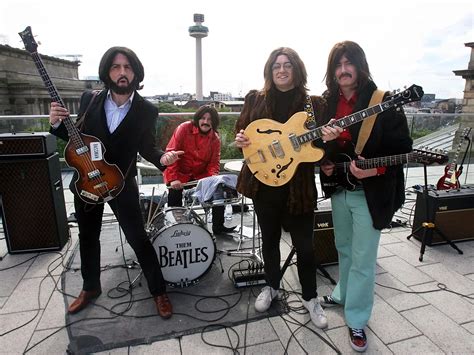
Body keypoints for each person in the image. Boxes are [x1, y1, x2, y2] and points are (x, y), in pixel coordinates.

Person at [49, 46, 184, 319]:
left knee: (138, 238)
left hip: (122, 183)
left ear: (135, 73)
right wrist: (55, 125)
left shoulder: (147, 110)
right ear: (107, 72)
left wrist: (163, 158)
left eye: (127, 68)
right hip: (88, 180)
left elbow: (147, 147)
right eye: (116, 67)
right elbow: (78, 139)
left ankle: (158, 291)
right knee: (88, 236)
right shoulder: (90, 99)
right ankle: (90, 288)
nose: (122, 73)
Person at [234, 47, 340, 329]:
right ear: (270, 70)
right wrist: (241, 138)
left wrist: (328, 139)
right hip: (264, 182)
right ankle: (272, 286)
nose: (281, 70)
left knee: (305, 247)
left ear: (297, 69)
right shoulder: (256, 99)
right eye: (276, 65)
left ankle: (310, 297)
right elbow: (241, 129)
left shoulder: (314, 104)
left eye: (287, 65)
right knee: (268, 241)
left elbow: (320, 150)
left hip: (299, 186)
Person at [318, 41, 413, 351]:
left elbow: (403, 150)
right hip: (339, 188)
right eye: (338, 64)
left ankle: (357, 319)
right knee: (343, 247)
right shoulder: (327, 104)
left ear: (360, 66)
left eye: (349, 63)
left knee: (363, 258)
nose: (343, 70)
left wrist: (373, 171)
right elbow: (323, 151)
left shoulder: (382, 101)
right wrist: (327, 159)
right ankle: (344, 294)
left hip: (369, 192)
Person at [163, 105, 236, 235]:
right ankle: (176, 228)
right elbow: (171, 153)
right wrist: (174, 178)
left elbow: (214, 163)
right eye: (203, 118)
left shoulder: (215, 138)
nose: (206, 122)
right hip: (179, 173)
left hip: (200, 175)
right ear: (198, 119)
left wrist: (211, 180)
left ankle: (218, 226)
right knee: (174, 194)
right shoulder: (183, 128)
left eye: (210, 119)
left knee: (217, 188)